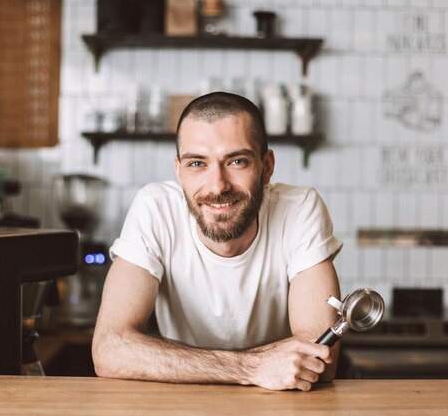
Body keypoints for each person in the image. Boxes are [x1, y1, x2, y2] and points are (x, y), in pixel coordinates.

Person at [92, 92, 343, 391]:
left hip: (279, 405)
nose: (217, 186)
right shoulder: (154, 208)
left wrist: (187, 363)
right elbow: (109, 350)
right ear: (179, 171)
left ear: (267, 166)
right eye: (197, 163)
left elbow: (319, 359)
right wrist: (251, 367)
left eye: (237, 161)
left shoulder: (300, 209)